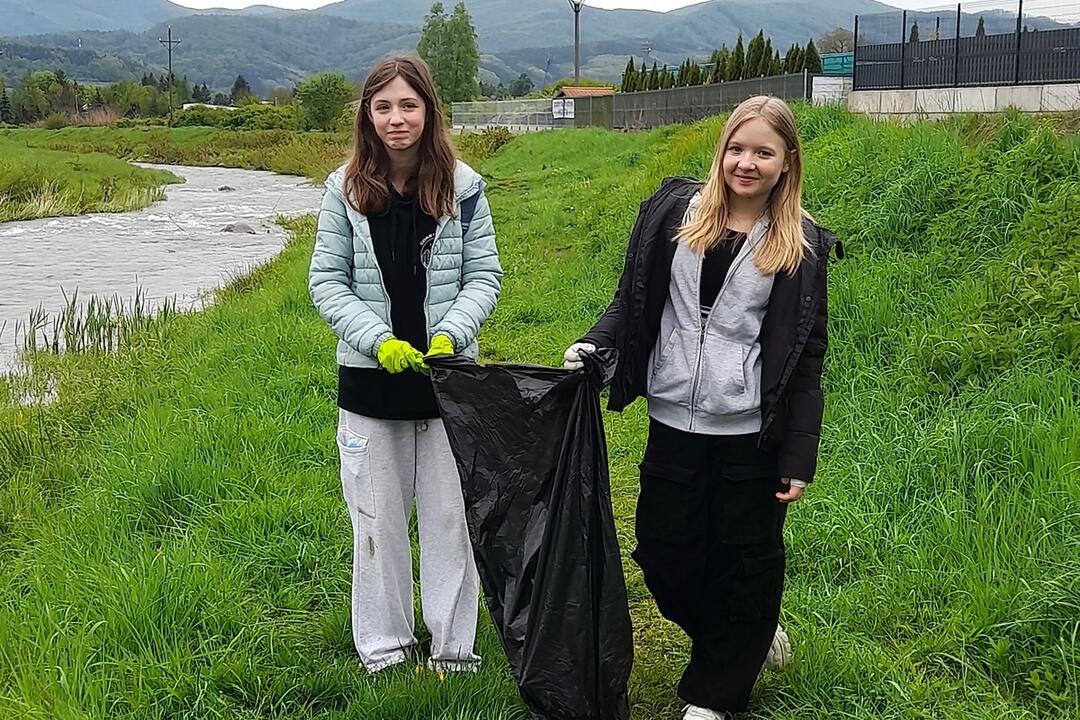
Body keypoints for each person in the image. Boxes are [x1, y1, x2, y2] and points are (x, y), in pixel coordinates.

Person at [563, 96, 838, 720]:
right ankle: (748, 635)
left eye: (764, 152)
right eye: (737, 149)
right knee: (664, 554)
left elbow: (806, 357)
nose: (747, 163)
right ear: (721, 151)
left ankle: (715, 694)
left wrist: (799, 454)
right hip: (673, 421)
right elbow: (631, 302)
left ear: (786, 163)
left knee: (747, 560)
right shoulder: (675, 217)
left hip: (749, 434)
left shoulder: (801, 246)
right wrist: (595, 348)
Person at [309, 54, 501, 674]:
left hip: (450, 386)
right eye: (383, 106)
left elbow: (483, 277)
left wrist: (452, 333)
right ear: (367, 114)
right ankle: (386, 649)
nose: (396, 119)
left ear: (428, 111)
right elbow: (327, 283)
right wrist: (376, 340)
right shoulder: (342, 191)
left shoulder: (464, 187)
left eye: (409, 105)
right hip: (370, 390)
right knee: (377, 525)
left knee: (451, 524)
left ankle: (453, 652)